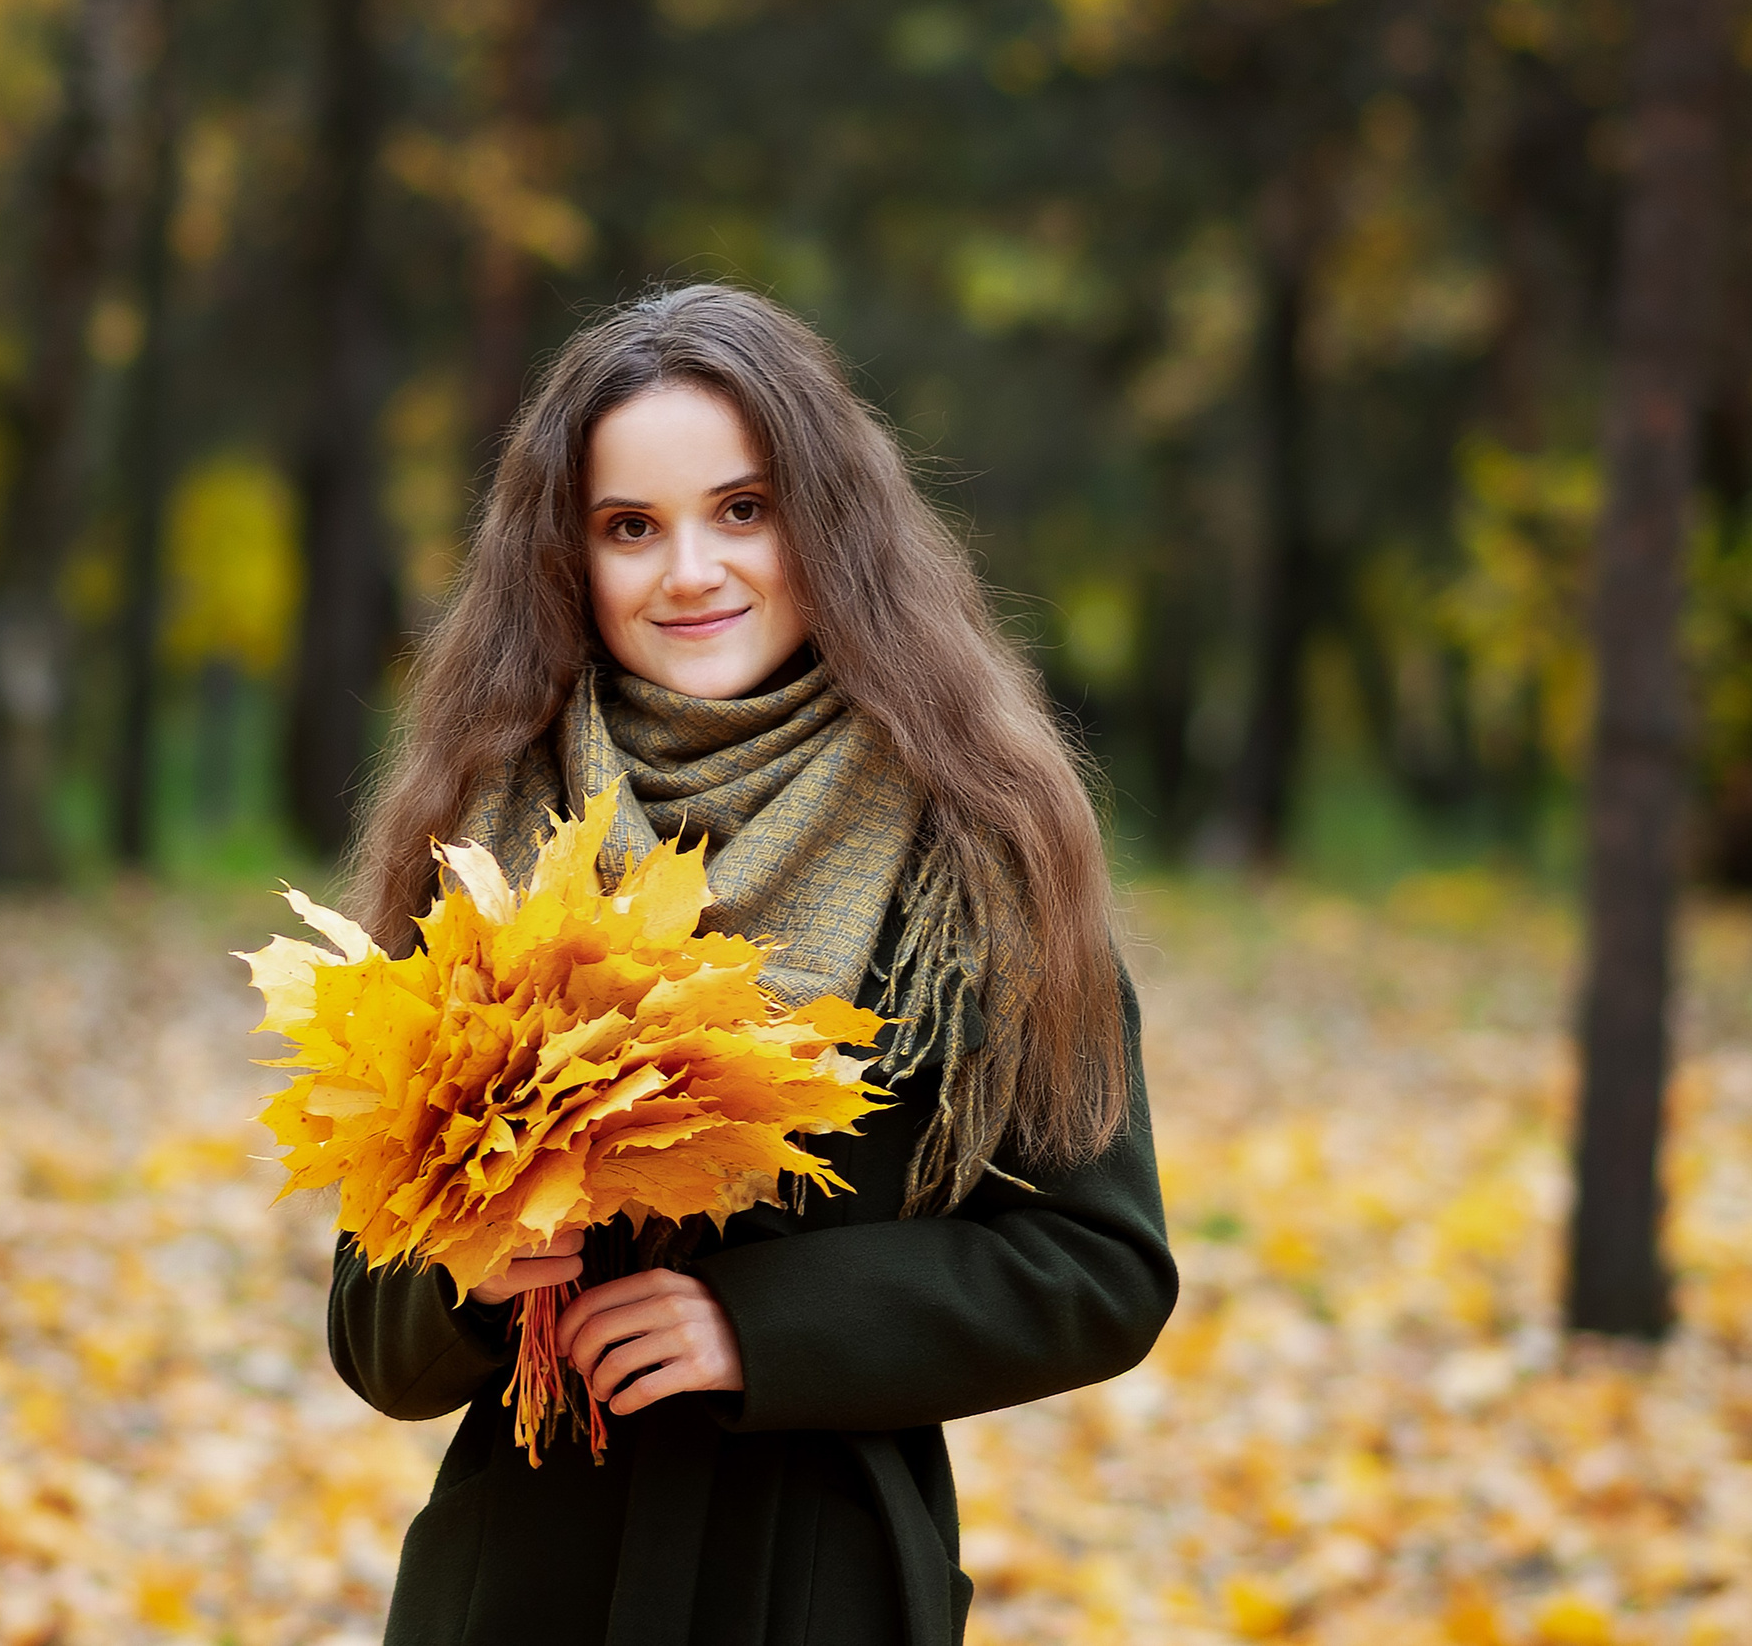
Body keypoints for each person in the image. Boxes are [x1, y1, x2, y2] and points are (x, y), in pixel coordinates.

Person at [324, 284, 1176, 1646]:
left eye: (742, 509)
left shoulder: (976, 853)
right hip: (523, 1583)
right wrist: (465, 1279)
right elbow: (372, 1334)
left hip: (815, 1578)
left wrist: (759, 1326)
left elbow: (1100, 1267)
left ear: (824, 522)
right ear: (567, 558)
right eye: (630, 527)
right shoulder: (484, 829)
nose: (691, 572)